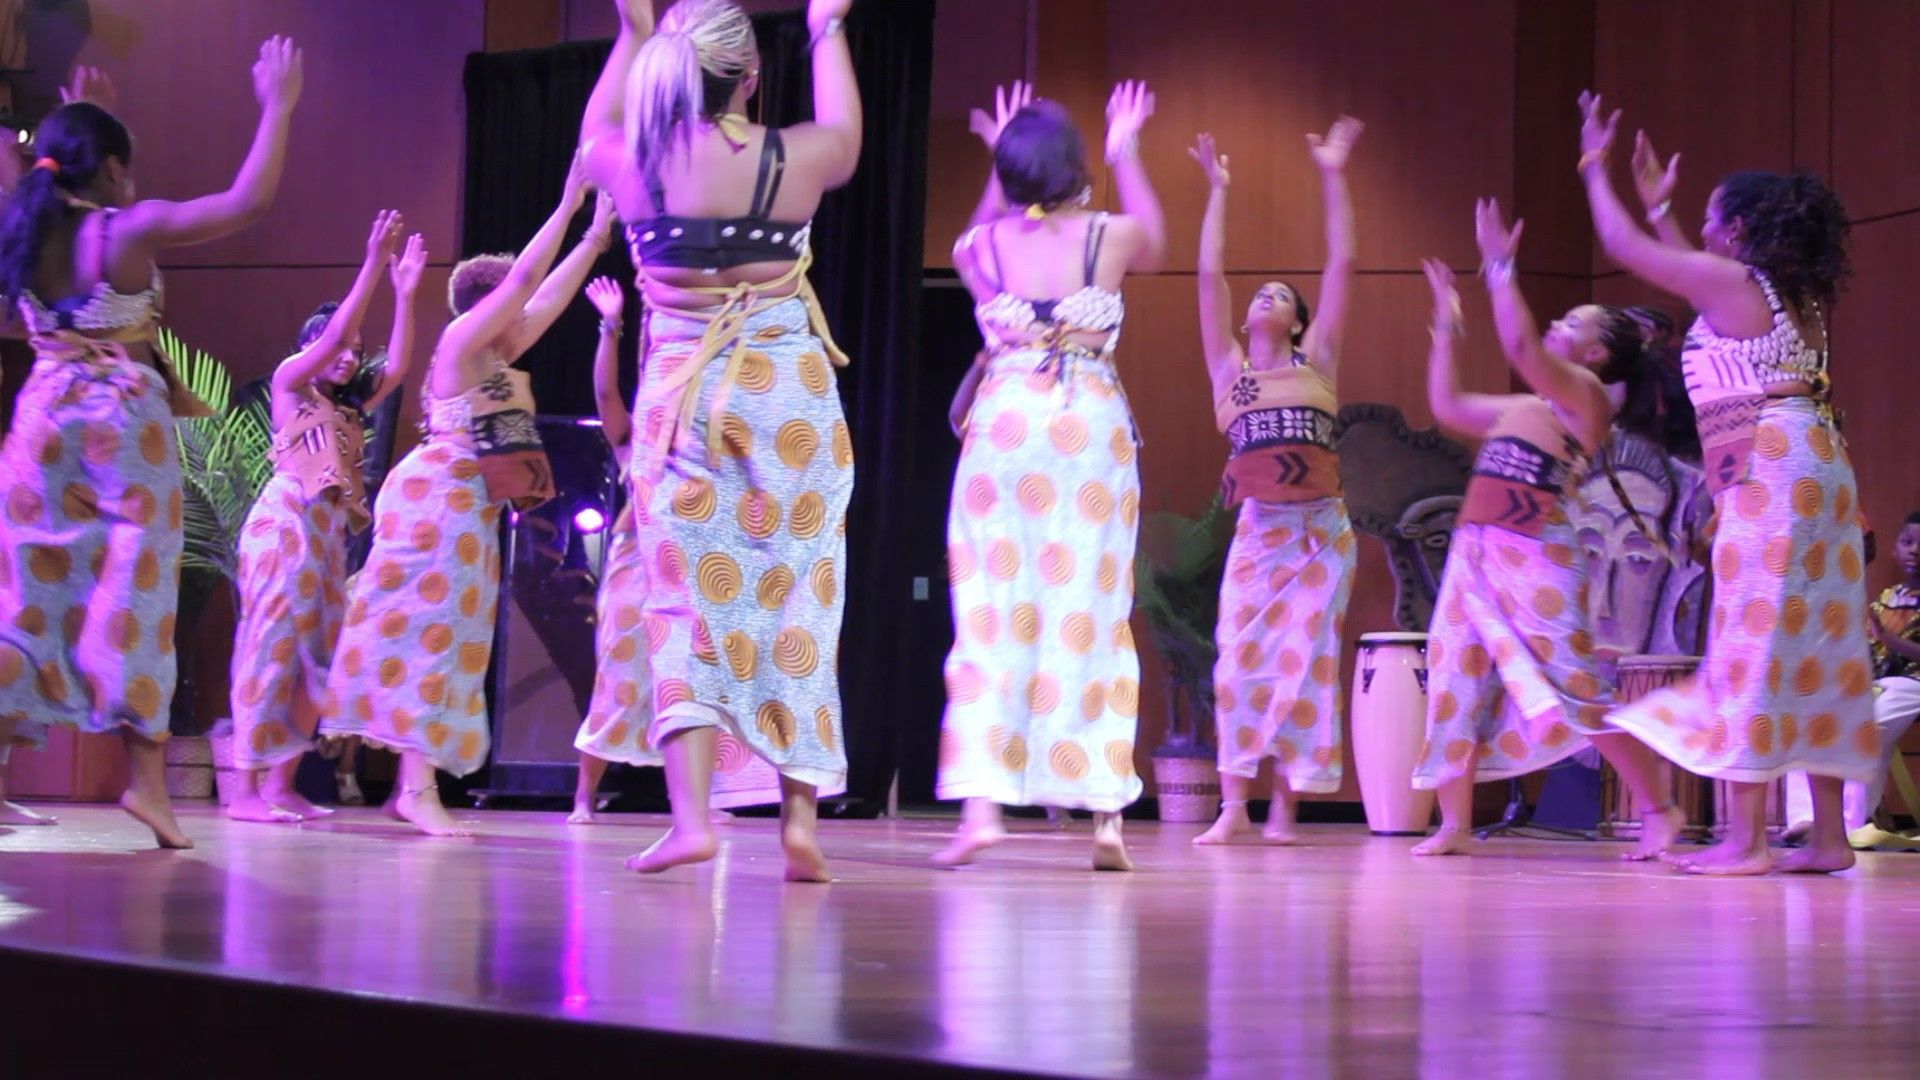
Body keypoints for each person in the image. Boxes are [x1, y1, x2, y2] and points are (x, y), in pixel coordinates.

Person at [577, 0, 860, 881]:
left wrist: (629, 33)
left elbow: (594, 128)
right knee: (799, 598)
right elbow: (846, 133)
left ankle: (693, 819)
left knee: (684, 607)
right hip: (788, 400)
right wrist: (825, 28)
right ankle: (799, 825)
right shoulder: (797, 156)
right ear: (750, 79)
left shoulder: (633, 162)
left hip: (683, 401)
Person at [0, 40, 304, 847]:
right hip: (119, 422)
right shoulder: (124, 233)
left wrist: (82, 119)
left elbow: (64, 175)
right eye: (124, 167)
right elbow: (244, 201)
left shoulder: (23, 229)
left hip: (40, 419)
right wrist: (278, 102)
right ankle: (146, 787)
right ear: (107, 173)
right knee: (135, 593)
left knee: (25, 595)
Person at [1577, 91, 1876, 874]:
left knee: (1754, 637)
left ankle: (1745, 841)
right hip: (1818, 467)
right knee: (1819, 645)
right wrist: (1668, 207)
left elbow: (1622, 243)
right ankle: (1830, 837)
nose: (1702, 233)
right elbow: (1698, 275)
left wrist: (1591, 164)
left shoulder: (1742, 290)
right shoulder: (1786, 294)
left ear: (1738, 230)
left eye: (1711, 219)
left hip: (1774, 469)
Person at [322, 159, 614, 837]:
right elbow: (525, 285)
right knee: (431, 637)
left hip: (464, 513)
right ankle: (415, 788)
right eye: (510, 305)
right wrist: (569, 205)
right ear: (490, 310)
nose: (524, 314)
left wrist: (594, 243)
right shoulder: (461, 342)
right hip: (435, 506)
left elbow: (546, 299)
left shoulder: (494, 359)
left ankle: (415, 784)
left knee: (452, 640)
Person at [932, 79, 1166, 872]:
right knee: (1092, 610)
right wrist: (1125, 143)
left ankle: (982, 808)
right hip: (1085, 430)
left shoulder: (981, 250)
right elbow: (1159, 242)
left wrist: (997, 164)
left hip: (1005, 432)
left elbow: (971, 240)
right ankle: (1104, 817)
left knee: (990, 611)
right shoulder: (1110, 237)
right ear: (1075, 166)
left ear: (1009, 171)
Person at [1407, 202, 1685, 862]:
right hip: (1477, 551)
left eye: (1572, 322)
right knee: (1455, 678)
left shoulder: (1584, 394)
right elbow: (1448, 407)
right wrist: (1445, 332)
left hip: (1537, 554)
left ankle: (1661, 806)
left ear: (1594, 353)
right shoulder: (1528, 404)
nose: (1557, 323)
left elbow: (1521, 347)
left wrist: (1500, 267)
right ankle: (1453, 824)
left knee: (1579, 690)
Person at [1186, 120, 1363, 846]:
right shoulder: (1230, 371)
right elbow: (1208, 277)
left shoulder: (1316, 364)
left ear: (1297, 322)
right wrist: (1218, 191)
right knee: (1239, 662)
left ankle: (1286, 807)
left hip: (1321, 533)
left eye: (1279, 295)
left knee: (1310, 666)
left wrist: (1332, 171)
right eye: (1257, 293)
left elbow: (1344, 261)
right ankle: (1235, 804)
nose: (1263, 298)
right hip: (1262, 532)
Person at [226, 211, 425, 823]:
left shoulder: (348, 409)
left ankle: (283, 784)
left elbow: (393, 369)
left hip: (326, 540)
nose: (347, 358)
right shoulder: (292, 383)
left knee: (318, 664)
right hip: (285, 525)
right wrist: (372, 263)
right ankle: (244, 792)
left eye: (353, 354)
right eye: (339, 349)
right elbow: (338, 337)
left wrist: (407, 294)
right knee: (271, 652)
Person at [566, 276, 735, 828]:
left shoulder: (703, 449)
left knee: (694, 680)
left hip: (688, 574)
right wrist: (611, 326)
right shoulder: (634, 442)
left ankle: (701, 801)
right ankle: (584, 798)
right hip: (634, 569)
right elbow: (606, 396)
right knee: (618, 675)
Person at [1781, 510, 1920, 847]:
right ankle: (1805, 819)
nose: (1914, 550)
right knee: (1812, 719)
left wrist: (1889, 641)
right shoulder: (1886, 598)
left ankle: (1846, 824)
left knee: (1868, 728)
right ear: (1894, 550)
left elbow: (1890, 646)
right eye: (1907, 542)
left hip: (1913, 683)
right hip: (1878, 682)